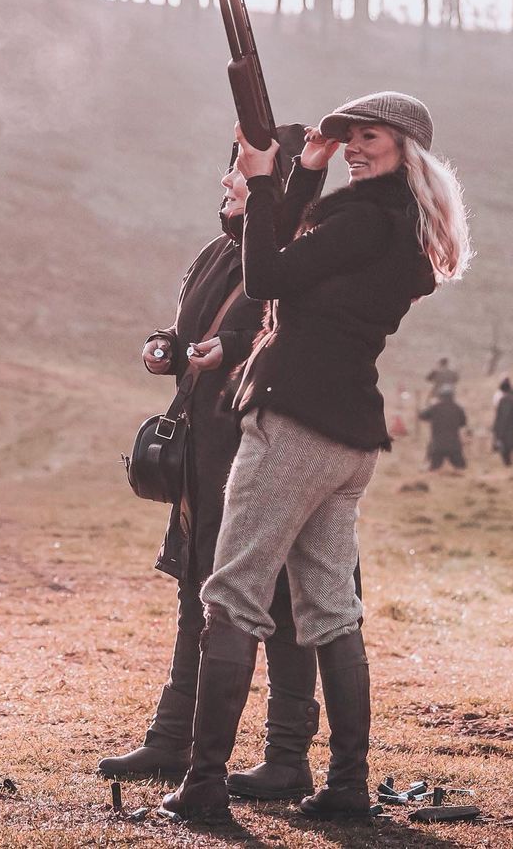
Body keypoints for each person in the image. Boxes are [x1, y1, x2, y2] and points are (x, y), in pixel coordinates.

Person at [160, 92, 472, 824]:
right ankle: (347, 788)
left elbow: (264, 276)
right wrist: (302, 169)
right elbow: (285, 250)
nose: (356, 148)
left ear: (404, 148)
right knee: (332, 611)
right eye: (351, 137)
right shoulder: (391, 225)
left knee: (231, 596)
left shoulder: (362, 219)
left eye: (369, 138)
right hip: (347, 436)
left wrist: (267, 177)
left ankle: (204, 785)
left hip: (295, 424)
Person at [99, 127, 326, 803]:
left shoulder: (295, 256)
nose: (227, 181)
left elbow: (268, 328)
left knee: (282, 600)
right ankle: (175, 738)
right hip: (207, 448)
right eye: (231, 170)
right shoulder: (214, 254)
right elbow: (194, 328)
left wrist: (224, 350)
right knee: (198, 587)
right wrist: (165, 347)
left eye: (240, 172)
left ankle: (288, 757)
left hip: (263, 446)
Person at [419, 388, 468, 471]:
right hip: (454, 445)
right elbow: (463, 423)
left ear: (440, 396)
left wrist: (429, 405)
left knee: (434, 468)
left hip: (438, 445)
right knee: (461, 467)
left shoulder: (434, 407)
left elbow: (422, 416)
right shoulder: (458, 408)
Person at [491, 376, 513, 466]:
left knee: (506, 450)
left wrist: (497, 431)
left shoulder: (503, 400)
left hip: (505, 429)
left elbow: (500, 417)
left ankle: (510, 466)